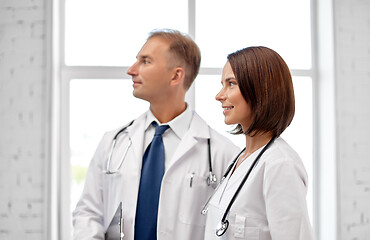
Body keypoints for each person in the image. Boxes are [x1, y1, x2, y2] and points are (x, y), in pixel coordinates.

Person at [72, 29, 240, 240]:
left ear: (176, 75)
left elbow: (225, 228)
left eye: (145, 61)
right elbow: (88, 212)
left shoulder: (223, 153)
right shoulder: (113, 142)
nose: (131, 70)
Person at [203, 46, 314, 239]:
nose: (219, 95)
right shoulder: (240, 159)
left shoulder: (280, 164)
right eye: (223, 84)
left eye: (231, 84)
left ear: (260, 90)